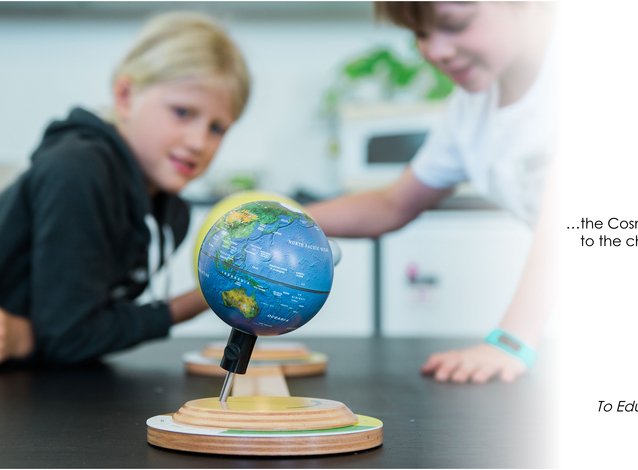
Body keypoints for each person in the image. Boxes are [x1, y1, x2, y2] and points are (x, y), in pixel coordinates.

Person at [307, 2, 559, 384]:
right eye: (421, 34)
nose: (435, 51)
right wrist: (278, 217)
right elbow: (391, 204)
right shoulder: (470, 110)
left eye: (454, 24)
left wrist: (511, 341)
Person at [0, 12, 250, 366]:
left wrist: (29, 336)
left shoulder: (170, 212)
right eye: (182, 112)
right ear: (125, 95)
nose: (198, 142)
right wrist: (203, 299)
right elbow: (69, 336)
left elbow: (74, 328)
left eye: (217, 128)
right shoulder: (77, 171)